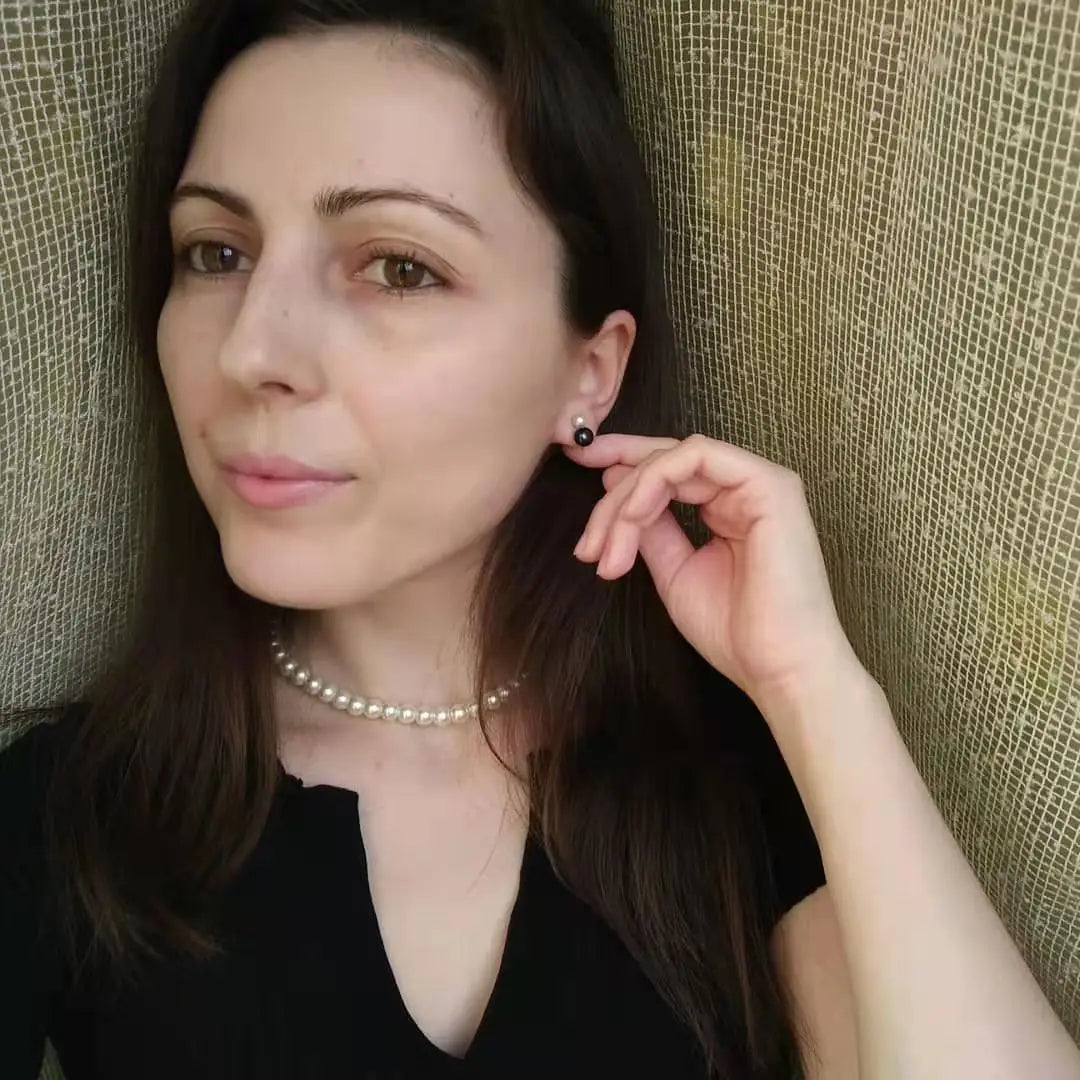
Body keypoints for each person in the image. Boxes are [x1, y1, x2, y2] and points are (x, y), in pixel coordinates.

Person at [4, 2, 1079, 1078]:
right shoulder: (64, 811)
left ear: (589, 374)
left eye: (399, 267)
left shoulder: (733, 787)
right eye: (215, 252)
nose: (250, 352)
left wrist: (814, 687)